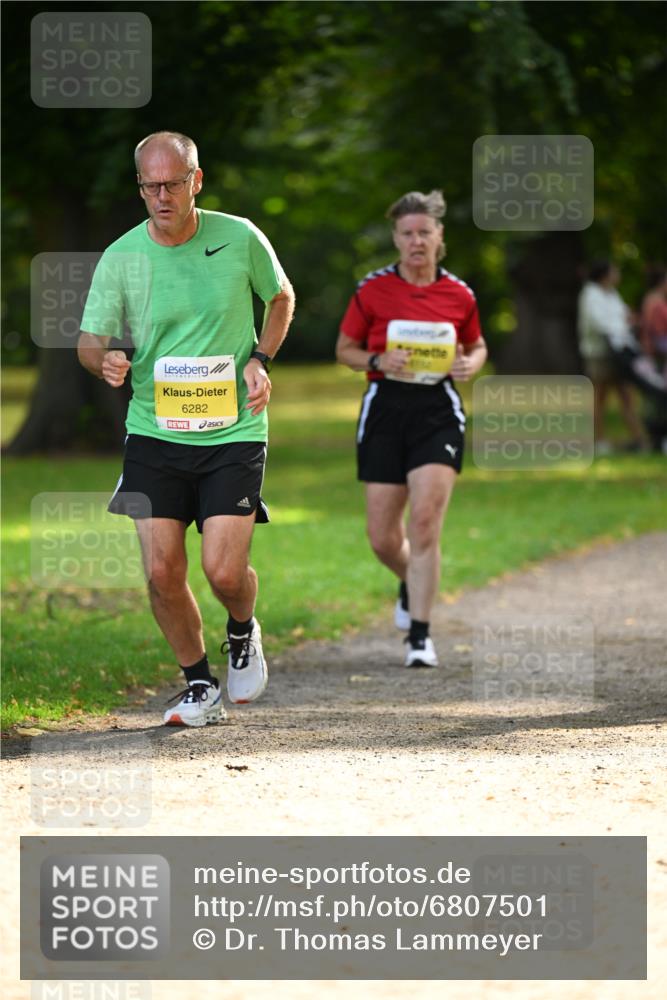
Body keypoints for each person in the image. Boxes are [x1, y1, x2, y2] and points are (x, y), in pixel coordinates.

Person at [77, 131, 295, 727]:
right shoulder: (122, 256)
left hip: (233, 429)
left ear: (196, 181)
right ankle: (199, 684)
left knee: (223, 571)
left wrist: (261, 359)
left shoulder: (239, 236)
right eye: (149, 186)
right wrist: (105, 361)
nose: (161, 197)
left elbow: (280, 298)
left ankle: (242, 630)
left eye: (172, 184)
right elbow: (89, 340)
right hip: (154, 430)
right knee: (160, 571)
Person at [335, 190, 487, 668]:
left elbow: (477, 345)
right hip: (385, 408)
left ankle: (420, 636)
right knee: (382, 537)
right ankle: (410, 580)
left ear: (439, 236)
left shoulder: (459, 294)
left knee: (424, 522)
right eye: (407, 233)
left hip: (437, 410)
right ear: (396, 239)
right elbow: (344, 349)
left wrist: (471, 364)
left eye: (425, 232)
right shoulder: (372, 289)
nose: (417, 241)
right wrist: (378, 360)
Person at [577, 260, 645, 454]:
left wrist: (630, 321)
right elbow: (598, 322)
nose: (617, 275)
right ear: (604, 275)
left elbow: (624, 315)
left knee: (626, 394)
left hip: (619, 353)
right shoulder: (590, 295)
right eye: (614, 271)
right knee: (600, 397)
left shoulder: (612, 294)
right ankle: (598, 441)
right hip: (599, 353)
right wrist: (622, 326)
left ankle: (639, 439)